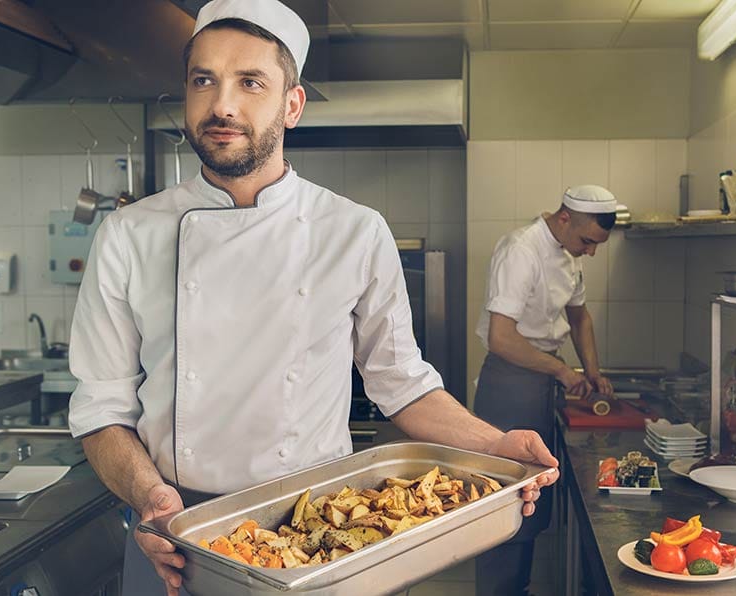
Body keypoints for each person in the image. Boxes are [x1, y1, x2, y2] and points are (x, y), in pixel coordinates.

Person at [66, 1, 558, 594]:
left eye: (251, 82)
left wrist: (494, 444)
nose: (222, 104)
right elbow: (101, 409)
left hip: (319, 536)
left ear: (291, 105)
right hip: (177, 538)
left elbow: (401, 382)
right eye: (204, 81)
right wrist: (153, 501)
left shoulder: (353, 230)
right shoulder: (128, 234)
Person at [473, 185, 616, 595]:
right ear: (565, 218)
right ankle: (499, 590)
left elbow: (580, 317)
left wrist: (592, 372)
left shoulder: (569, 255)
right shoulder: (521, 249)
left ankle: (517, 587)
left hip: (541, 382)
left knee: (531, 496)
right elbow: (501, 337)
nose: (590, 252)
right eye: (588, 241)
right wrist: (563, 371)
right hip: (510, 384)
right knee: (506, 495)